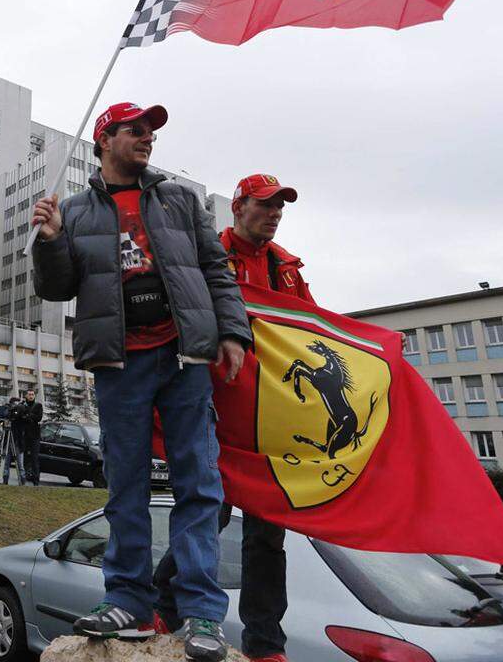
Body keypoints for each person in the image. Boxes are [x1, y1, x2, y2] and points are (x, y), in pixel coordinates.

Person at [31, 101, 250, 661]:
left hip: (184, 357)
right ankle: (127, 599)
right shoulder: (76, 210)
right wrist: (52, 239)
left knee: (198, 483)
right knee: (125, 484)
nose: (147, 137)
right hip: (119, 362)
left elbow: (214, 268)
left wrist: (233, 332)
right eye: (135, 129)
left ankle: (200, 613)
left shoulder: (178, 198)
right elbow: (57, 289)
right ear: (105, 140)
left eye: (151, 131)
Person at [152, 174, 310, 662]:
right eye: (265, 205)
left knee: (268, 532)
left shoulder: (288, 269)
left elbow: (312, 331)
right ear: (238, 207)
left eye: (280, 206)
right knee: (209, 512)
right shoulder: (211, 254)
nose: (275, 213)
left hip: (270, 419)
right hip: (216, 408)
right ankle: (164, 605)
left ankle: (266, 645)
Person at [18, 389, 44, 486]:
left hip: (35, 436)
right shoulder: (22, 405)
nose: (31, 396)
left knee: (34, 458)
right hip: (24, 435)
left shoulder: (38, 405)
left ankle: (36, 480)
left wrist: (28, 415)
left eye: (32, 394)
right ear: (26, 395)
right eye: (29, 394)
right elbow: (21, 416)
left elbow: (39, 418)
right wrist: (29, 416)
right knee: (24, 458)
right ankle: (23, 478)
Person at [0, 395, 27, 485]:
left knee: (20, 465)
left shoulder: (21, 412)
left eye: (18, 404)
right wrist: (11, 410)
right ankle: (5, 481)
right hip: (7, 440)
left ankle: (22, 482)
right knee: (6, 464)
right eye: (15, 404)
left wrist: (17, 411)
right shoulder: (8, 410)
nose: (17, 406)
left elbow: (23, 416)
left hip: (18, 442)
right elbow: (4, 414)